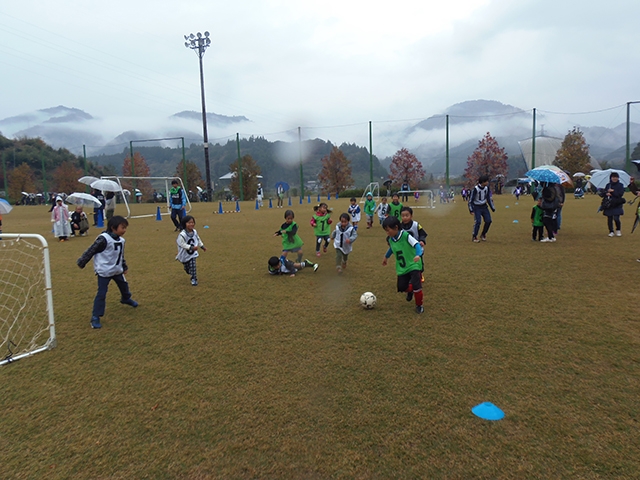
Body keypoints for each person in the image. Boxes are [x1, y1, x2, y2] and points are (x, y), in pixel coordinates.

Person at [77, 216, 138, 329]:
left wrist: (124, 266)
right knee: (102, 293)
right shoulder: (103, 239)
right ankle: (95, 316)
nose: (124, 230)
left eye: (125, 228)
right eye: (122, 228)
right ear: (113, 228)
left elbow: (120, 255)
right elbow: (91, 250)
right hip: (104, 271)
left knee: (124, 285)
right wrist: (82, 262)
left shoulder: (121, 240)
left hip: (116, 270)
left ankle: (126, 298)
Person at [381, 216, 424, 314]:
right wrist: (386, 257)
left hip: (413, 265)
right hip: (402, 268)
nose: (387, 233)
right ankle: (410, 291)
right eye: (386, 231)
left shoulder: (405, 235)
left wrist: (418, 255)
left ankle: (419, 305)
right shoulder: (391, 240)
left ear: (396, 227)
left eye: (388, 230)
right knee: (401, 287)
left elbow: (417, 244)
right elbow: (392, 248)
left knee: (417, 286)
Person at [176, 215, 206, 286]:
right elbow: (182, 244)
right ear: (185, 224)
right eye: (189, 223)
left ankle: (194, 279)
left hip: (192, 254)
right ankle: (189, 271)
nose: (191, 224)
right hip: (184, 254)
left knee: (193, 266)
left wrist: (202, 246)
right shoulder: (182, 235)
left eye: (192, 222)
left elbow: (198, 239)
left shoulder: (195, 232)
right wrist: (190, 247)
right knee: (187, 268)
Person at [468, 174, 495, 242]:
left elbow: (488, 198)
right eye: (486, 181)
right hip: (477, 207)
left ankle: (483, 234)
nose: (487, 183)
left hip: (484, 206)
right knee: (478, 221)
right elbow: (470, 200)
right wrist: (471, 210)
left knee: (488, 221)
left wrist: (492, 207)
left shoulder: (487, 188)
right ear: (482, 182)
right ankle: (474, 236)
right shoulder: (475, 189)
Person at [601, 172, 626, 237]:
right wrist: (606, 193)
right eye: (613, 177)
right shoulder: (608, 185)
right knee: (609, 218)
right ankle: (611, 231)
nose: (614, 178)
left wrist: (613, 191)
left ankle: (618, 230)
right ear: (611, 178)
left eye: (616, 177)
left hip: (617, 203)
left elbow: (620, 194)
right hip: (609, 204)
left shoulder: (620, 185)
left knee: (616, 218)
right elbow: (603, 193)